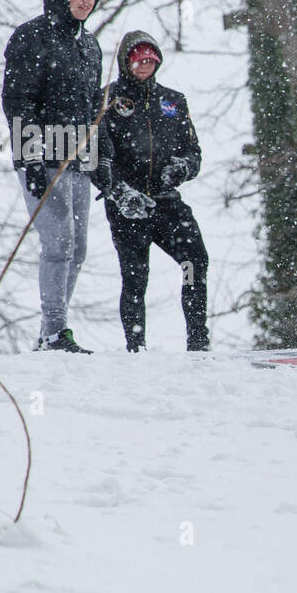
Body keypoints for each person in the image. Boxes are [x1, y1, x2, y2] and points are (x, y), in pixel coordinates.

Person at [2, 0, 114, 353]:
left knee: (78, 248)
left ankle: (53, 329)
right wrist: (30, 157)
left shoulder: (92, 47)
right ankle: (54, 332)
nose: (86, 0)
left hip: (78, 159)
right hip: (42, 157)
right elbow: (18, 101)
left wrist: (101, 160)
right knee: (59, 244)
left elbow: (90, 111)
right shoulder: (32, 36)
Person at [99, 30, 209, 352]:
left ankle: (199, 344)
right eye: (138, 59)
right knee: (136, 278)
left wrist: (183, 168)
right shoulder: (107, 100)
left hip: (167, 204)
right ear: (125, 62)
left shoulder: (174, 101)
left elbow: (194, 152)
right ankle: (137, 350)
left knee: (195, 261)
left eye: (151, 58)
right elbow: (93, 158)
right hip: (128, 207)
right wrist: (120, 193)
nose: (145, 64)